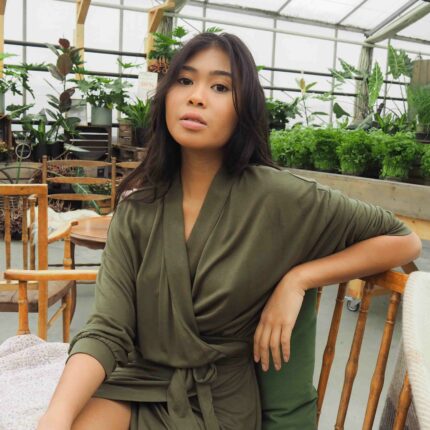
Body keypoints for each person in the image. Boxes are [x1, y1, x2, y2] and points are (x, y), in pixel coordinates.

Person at [37, 32, 421, 430]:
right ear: (166, 96)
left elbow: (402, 240)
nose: (196, 96)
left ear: (244, 110)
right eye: (185, 81)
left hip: (217, 404)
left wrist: (299, 279)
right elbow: (108, 329)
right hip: (139, 384)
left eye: (220, 86)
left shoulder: (279, 197)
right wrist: (56, 415)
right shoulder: (138, 207)